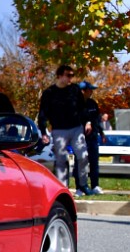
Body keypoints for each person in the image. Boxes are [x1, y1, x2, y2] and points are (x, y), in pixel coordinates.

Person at [37, 64, 91, 196]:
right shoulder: (49, 93)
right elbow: (43, 113)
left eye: (72, 75)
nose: (70, 78)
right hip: (59, 130)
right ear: (60, 76)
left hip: (76, 128)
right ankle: (63, 188)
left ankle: (83, 184)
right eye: (68, 75)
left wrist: (88, 122)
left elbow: (82, 108)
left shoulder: (75, 89)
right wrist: (43, 132)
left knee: (83, 156)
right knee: (62, 159)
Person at [77, 81, 105, 194]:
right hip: (80, 139)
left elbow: (97, 120)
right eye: (90, 89)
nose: (91, 92)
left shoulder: (93, 103)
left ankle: (95, 186)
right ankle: (80, 188)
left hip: (93, 138)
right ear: (83, 91)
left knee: (94, 162)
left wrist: (102, 133)